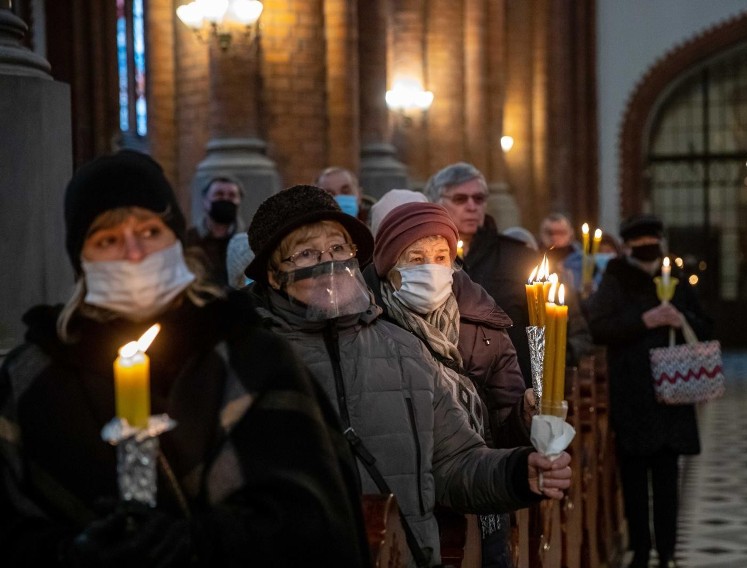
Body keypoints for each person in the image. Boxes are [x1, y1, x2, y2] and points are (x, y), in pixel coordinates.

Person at [0, 151, 370, 567]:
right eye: (107, 240)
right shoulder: (34, 378)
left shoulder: (251, 357)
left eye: (149, 231)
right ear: (80, 260)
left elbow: (314, 520)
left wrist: (204, 541)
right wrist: (73, 553)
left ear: (175, 239)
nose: (134, 253)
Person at [242, 185, 572, 567]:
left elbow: (454, 463)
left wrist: (518, 474)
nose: (328, 264)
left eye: (337, 249)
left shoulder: (401, 349)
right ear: (273, 273)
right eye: (305, 254)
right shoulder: (246, 361)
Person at [364, 202, 537, 567]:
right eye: (415, 258)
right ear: (389, 268)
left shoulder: (484, 325)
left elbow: (505, 431)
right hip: (406, 503)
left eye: (441, 255)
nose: (430, 267)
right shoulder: (366, 329)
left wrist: (525, 413)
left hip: (479, 492)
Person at [584, 213, 713, 568]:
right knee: (635, 480)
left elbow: (706, 327)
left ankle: (668, 552)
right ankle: (641, 551)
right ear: (628, 247)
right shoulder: (616, 279)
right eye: (639, 244)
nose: (647, 250)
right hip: (633, 392)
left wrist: (681, 319)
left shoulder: (675, 279)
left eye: (651, 243)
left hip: (671, 395)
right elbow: (598, 327)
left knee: (668, 480)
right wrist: (644, 321)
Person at [424, 162, 592, 384]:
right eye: (460, 199)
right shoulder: (423, 260)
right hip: (445, 386)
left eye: (479, 198)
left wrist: (546, 362)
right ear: (437, 203)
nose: (472, 206)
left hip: (514, 391)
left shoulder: (518, 258)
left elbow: (575, 329)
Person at [185, 175, 244, 287]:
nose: (226, 199)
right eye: (219, 194)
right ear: (205, 201)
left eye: (232, 195)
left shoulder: (249, 242)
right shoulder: (188, 241)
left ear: (239, 201)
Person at [538, 213, 583, 289]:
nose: (555, 237)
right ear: (542, 233)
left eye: (560, 232)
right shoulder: (532, 257)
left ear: (570, 232)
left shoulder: (582, 260)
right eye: (550, 232)